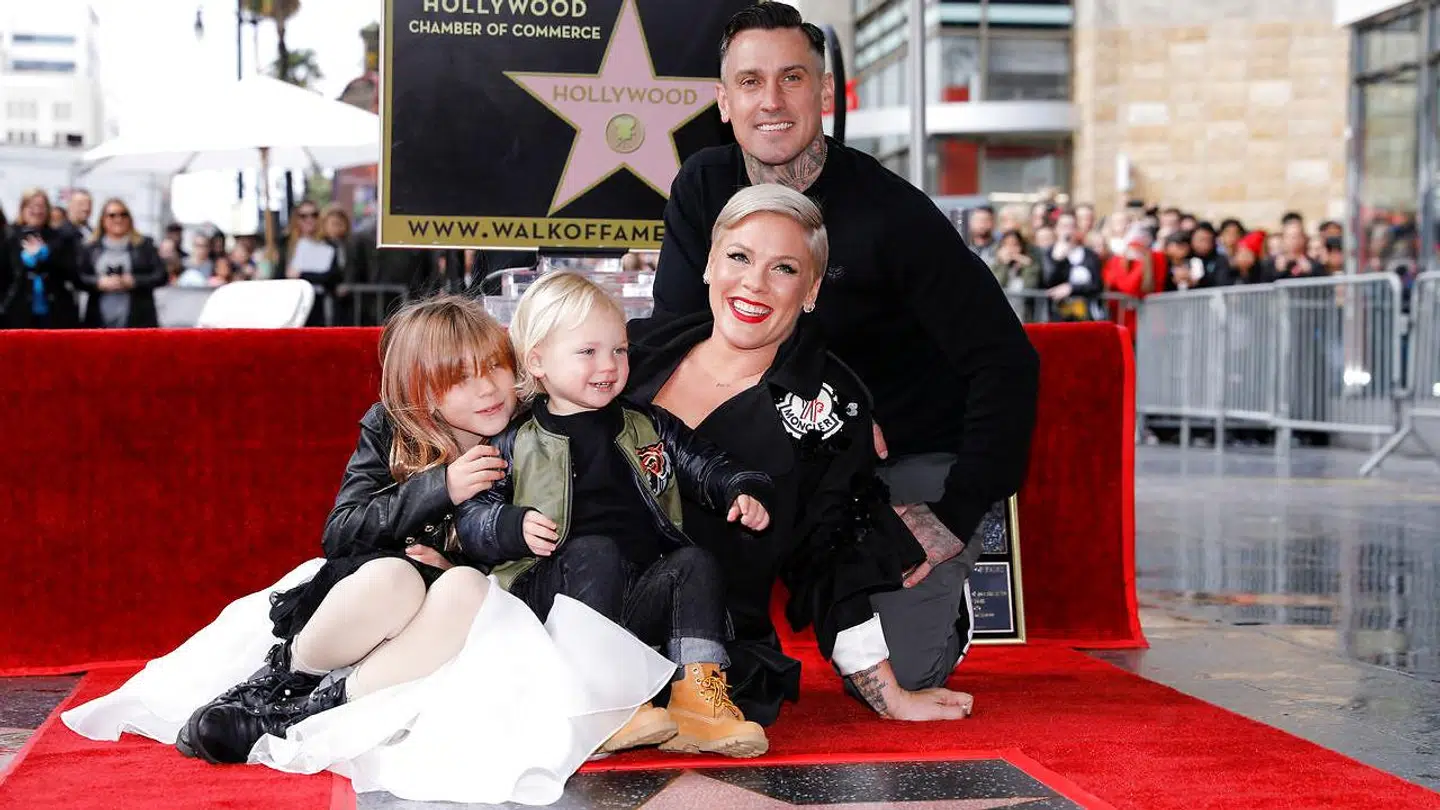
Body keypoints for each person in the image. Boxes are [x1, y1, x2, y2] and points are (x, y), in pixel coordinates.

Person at [63, 295, 675, 804]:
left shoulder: (534, 427)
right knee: (396, 577)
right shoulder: (391, 426)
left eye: (495, 369)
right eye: (460, 378)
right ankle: (278, 684)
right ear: (419, 390)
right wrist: (441, 486)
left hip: (456, 626)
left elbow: (539, 536)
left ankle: (316, 708)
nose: (488, 390)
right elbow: (343, 530)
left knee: (465, 586)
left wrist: (471, 552)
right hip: (364, 601)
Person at [650, 2, 1039, 713]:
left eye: (792, 78)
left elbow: (1008, 362)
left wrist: (953, 514)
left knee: (910, 672)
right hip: (774, 442)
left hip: (897, 463)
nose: (771, 100)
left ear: (825, 96)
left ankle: (939, 610)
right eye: (750, 81)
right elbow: (679, 340)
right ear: (724, 101)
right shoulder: (703, 188)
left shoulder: (893, 215)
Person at [631, 183, 976, 724]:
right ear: (707, 265)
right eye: (739, 257)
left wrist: (890, 695)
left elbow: (833, 552)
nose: (754, 283)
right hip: (590, 601)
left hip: (706, 654)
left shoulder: (829, 409)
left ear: (811, 289)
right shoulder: (634, 351)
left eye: (784, 269)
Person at [455, 272, 775, 758]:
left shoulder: (647, 423)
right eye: (588, 352)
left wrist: (737, 487)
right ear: (536, 359)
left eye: (620, 350)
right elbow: (472, 517)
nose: (609, 365)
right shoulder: (514, 440)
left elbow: (700, 460)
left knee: (694, 562)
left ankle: (696, 700)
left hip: (634, 603)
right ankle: (598, 703)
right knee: (595, 552)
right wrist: (509, 525)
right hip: (547, 606)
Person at [77, 199, 166, 328]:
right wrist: (98, 282)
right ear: (103, 219)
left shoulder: (144, 245)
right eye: (112, 215)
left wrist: (134, 281)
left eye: (123, 214)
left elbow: (161, 275)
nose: (118, 219)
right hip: (99, 319)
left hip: (137, 319)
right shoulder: (91, 248)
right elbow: (79, 277)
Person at [2, 188, 80, 328]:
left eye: (41, 206)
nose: (37, 211)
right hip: (16, 310)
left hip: (53, 311)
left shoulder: (59, 237)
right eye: (32, 206)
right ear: (23, 208)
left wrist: (46, 253)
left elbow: (70, 271)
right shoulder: (9, 236)